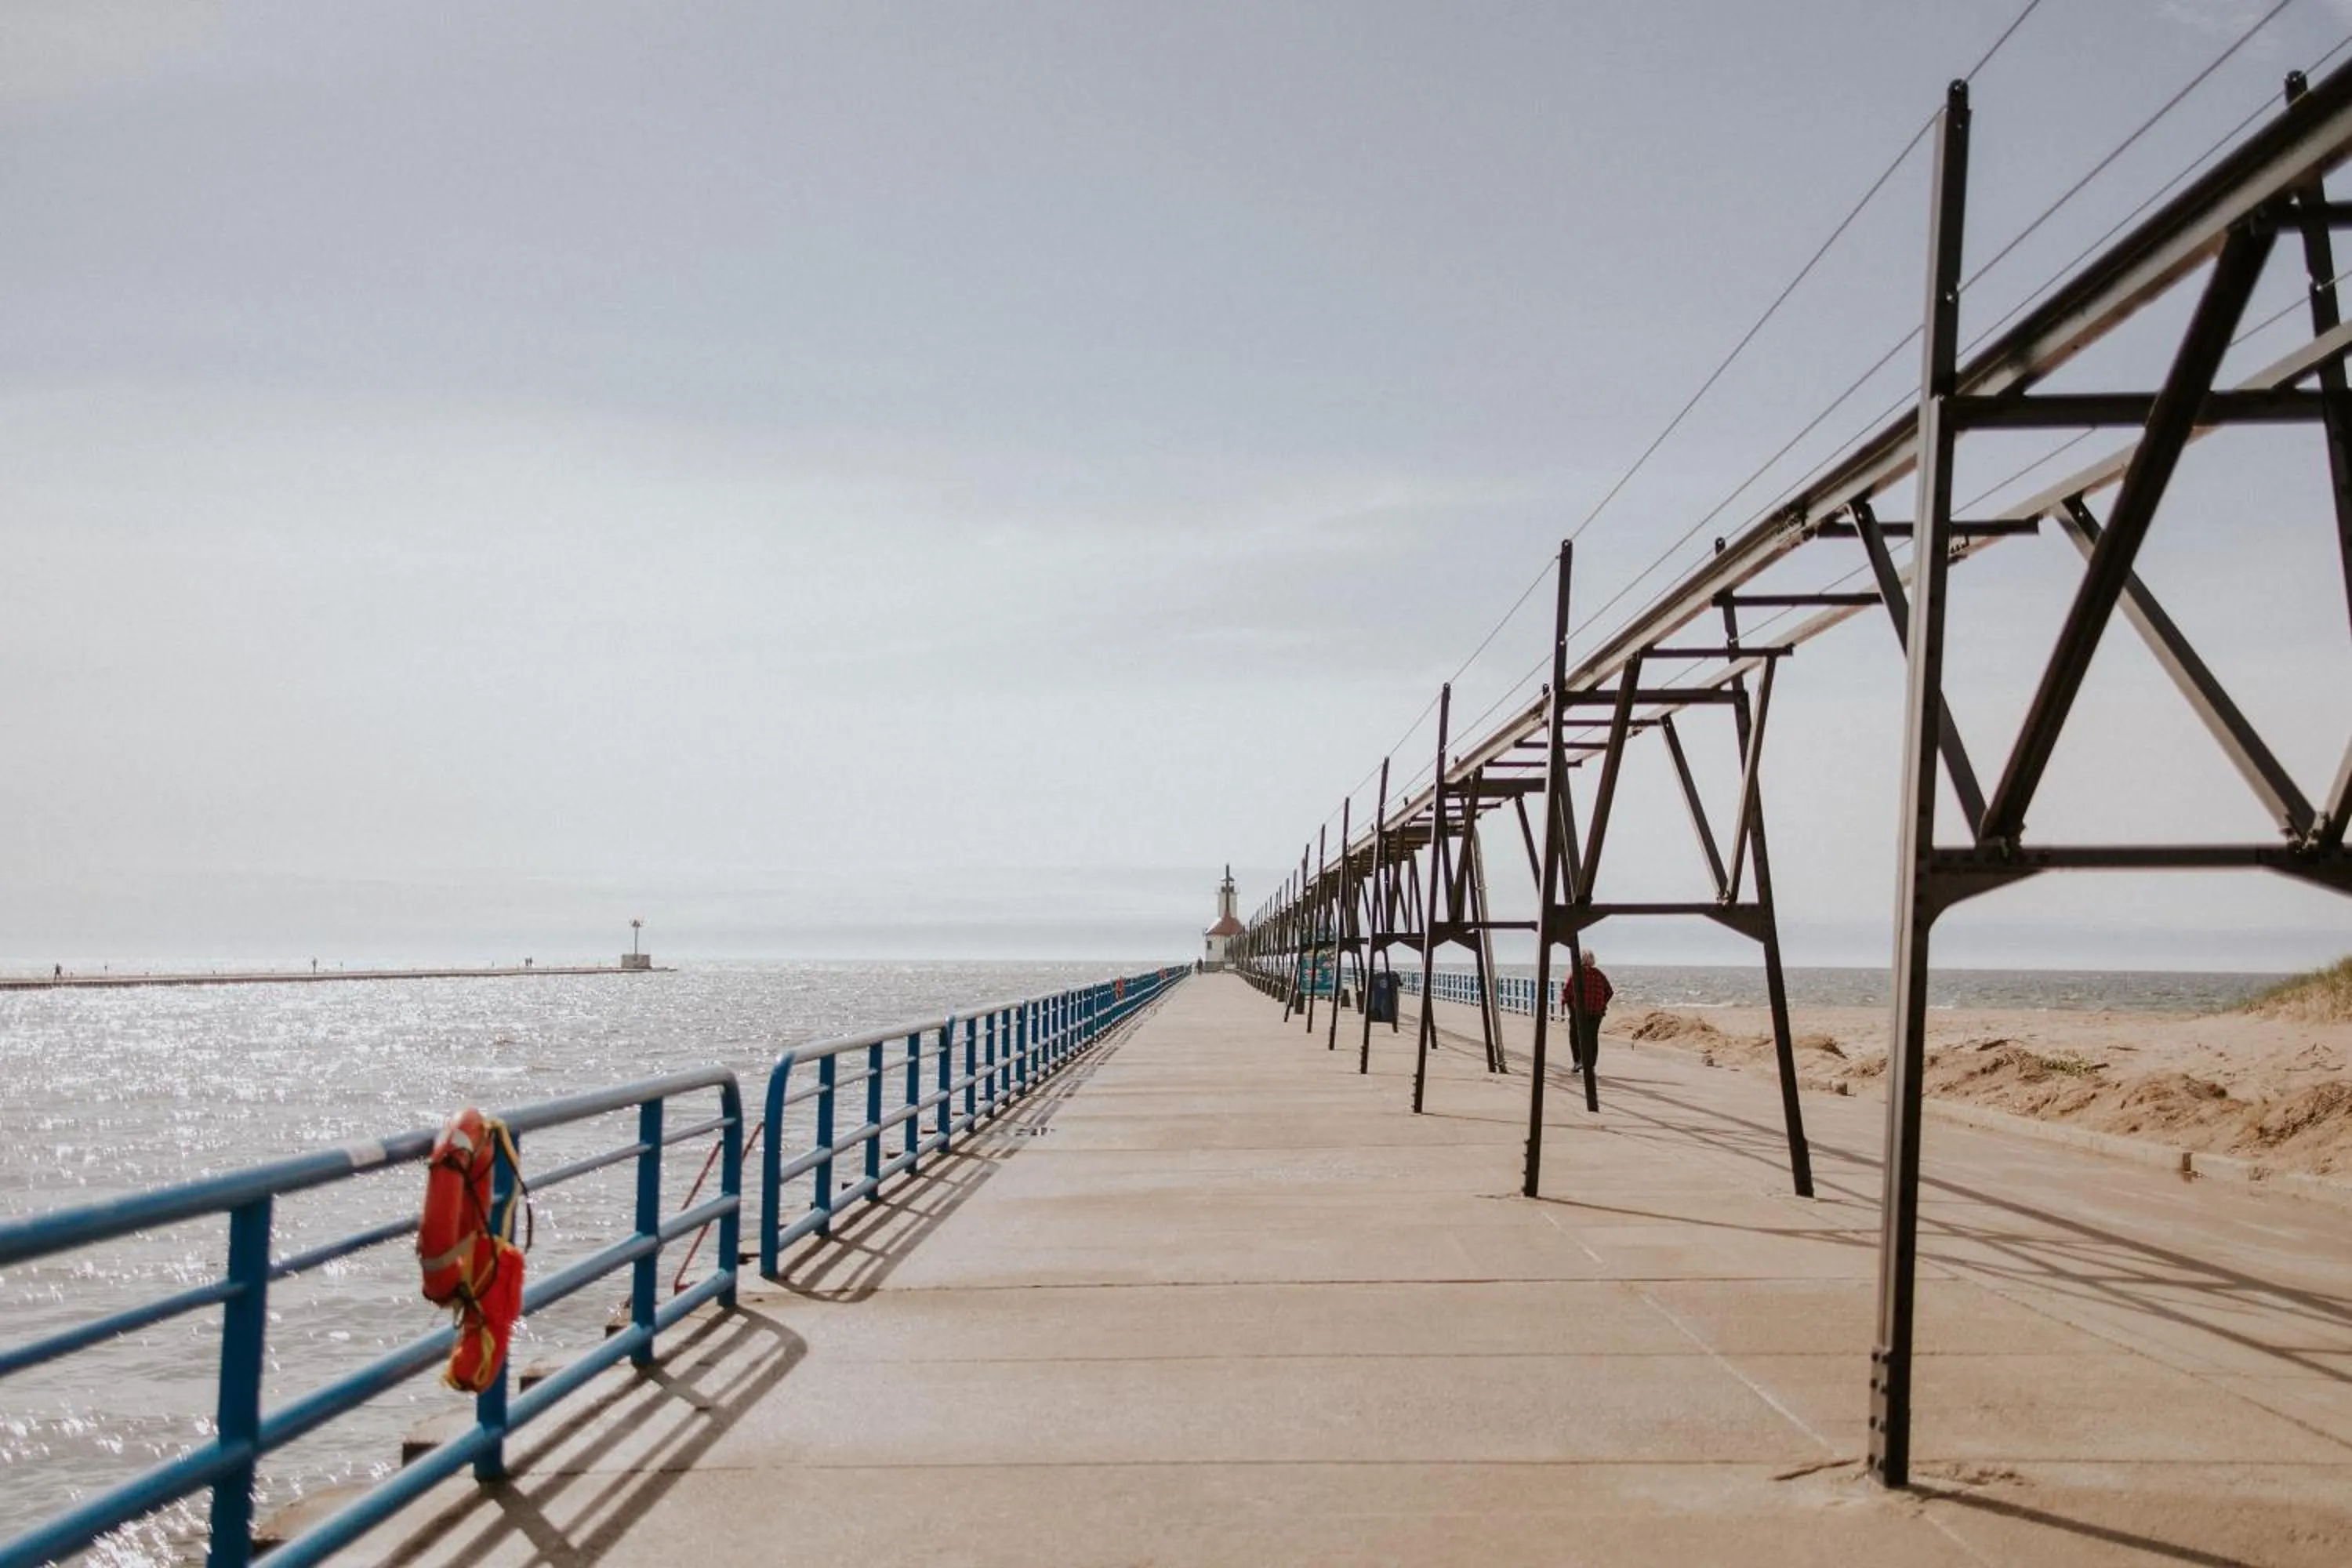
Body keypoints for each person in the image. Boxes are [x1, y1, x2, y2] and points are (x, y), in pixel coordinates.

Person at [1570, 950, 1613, 1073]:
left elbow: (1567, 991)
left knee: (1575, 1036)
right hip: (1596, 1012)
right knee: (1592, 1038)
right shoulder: (1599, 974)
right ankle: (1591, 1065)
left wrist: (1569, 1005)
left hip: (1580, 1012)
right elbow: (1609, 991)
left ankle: (1578, 1061)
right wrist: (1602, 1004)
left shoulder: (1576, 974)